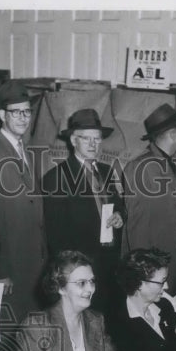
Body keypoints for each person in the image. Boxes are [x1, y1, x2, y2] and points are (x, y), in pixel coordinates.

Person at [18, 250, 157, 351]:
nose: (90, 289)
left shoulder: (95, 320)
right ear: (60, 288)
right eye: (81, 283)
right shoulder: (38, 325)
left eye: (92, 281)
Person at [0, 80, 47, 322]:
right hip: (10, 267)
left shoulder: (25, 149)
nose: (24, 118)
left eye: (27, 111)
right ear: (3, 115)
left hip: (32, 261)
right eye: (17, 112)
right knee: (11, 332)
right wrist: (0, 270)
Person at [41, 108, 125, 311]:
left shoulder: (108, 171)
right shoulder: (56, 178)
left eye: (96, 139)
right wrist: (74, 272)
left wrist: (119, 217)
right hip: (79, 270)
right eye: (86, 139)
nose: (92, 144)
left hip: (110, 264)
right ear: (73, 141)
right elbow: (55, 235)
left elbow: (120, 206)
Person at [121, 103, 176, 294]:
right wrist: (147, 276)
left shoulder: (173, 163)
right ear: (172, 134)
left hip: (174, 269)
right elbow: (138, 229)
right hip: (154, 274)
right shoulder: (141, 168)